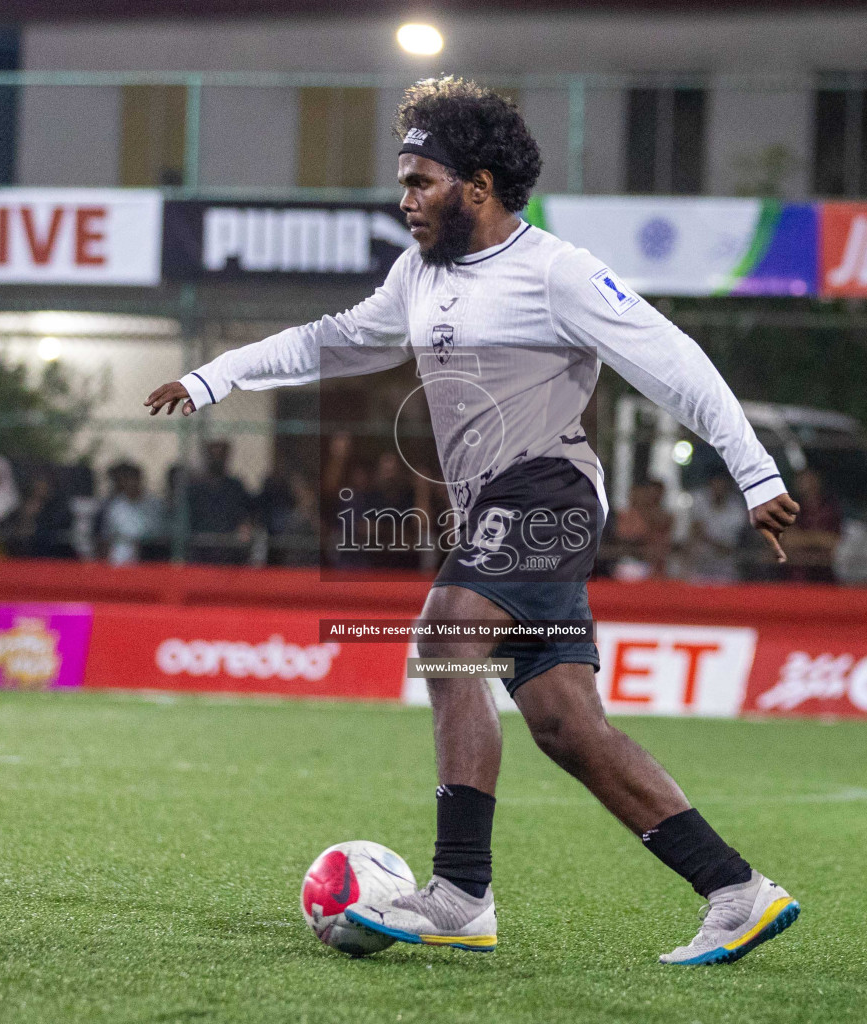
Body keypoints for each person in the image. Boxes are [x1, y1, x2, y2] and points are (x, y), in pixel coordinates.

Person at [145, 77, 801, 966]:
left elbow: (673, 362)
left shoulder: (555, 272)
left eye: (421, 181)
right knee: (567, 725)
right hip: (500, 507)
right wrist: (214, 375)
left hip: (549, 492)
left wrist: (755, 472)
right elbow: (331, 339)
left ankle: (458, 892)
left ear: (479, 187)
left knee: (447, 634)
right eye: (405, 180)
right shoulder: (419, 275)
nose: (405, 198)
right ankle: (735, 890)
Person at [186, 441, 254, 564]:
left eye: (221, 455)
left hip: (228, 547)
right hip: (200, 546)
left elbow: (245, 517)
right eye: (213, 455)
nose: (217, 460)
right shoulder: (195, 488)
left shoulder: (235, 487)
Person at [684, 472, 749, 583]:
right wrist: (716, 545)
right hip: (700, 562)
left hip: (726, 564)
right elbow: (695, 531)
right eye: (716, 484)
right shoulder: (698, 500)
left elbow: (740, 538)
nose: (719, 488)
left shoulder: (736, 507)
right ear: (710, 485)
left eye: (722, 484)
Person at [784, 468, 841, 583]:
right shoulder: (791, 509)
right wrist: (817, 539)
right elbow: (787, 541)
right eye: (802, 480)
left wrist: (804, 538)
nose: (806, 484)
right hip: (796, 579)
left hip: (828, 577)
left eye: (810, 479)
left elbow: (835, 543)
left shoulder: (832, 509)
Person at [100, 462, 153, 567]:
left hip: (149, 557)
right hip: (121, 560)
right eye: (127, 479)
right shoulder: (115, 506)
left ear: (140, 480)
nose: (131, 483)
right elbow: (106, 537)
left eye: (134, 479)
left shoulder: (153, 504)